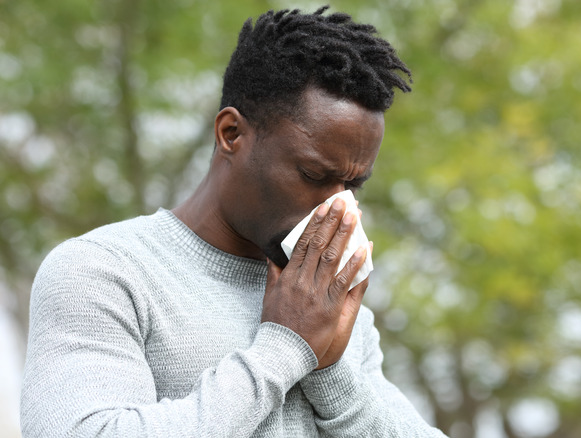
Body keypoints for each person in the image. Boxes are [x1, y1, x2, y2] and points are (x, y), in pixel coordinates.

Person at [21, 6, 447, 437]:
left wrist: (331, 375)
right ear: (231, 134)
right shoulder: (104, 272)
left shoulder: (326, 299)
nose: (337, 210)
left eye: (353, 185)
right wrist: (283, 350)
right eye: (314, 176)